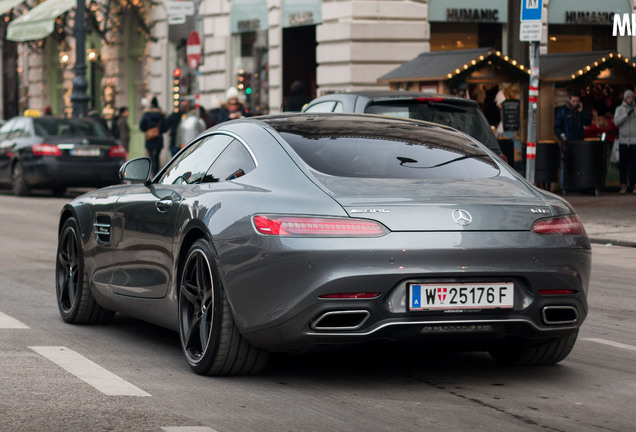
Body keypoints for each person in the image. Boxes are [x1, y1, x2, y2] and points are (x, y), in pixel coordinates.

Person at [554, 93, 591, 192]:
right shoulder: (563, 111)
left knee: (580, 164)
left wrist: (582, 111)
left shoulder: (579, 111)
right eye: (573, 101)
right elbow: (557, 127)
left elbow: (588, 122)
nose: (575, 103)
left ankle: (579, 186)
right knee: (566, 165)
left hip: (579, 143)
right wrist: (563, 137)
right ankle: (564, 186)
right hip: (568, 142)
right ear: (569, 100)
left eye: (577, 101)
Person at [613, 89, 636, 194]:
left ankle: (634, 185)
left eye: (632, 97)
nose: (630, 99)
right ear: (625, 98)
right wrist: (626, 114)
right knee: (623, 164)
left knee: (634, 165)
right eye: (628, 97)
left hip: (634, 141)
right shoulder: (620, 109)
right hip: (623, 141)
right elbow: (616, 122)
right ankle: (623, 185)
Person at [139, 97, 167, 176]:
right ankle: (156, 173)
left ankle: (152, 174)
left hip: (149, 139)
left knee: (151, 157)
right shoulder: (161, 115)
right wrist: (158, 131)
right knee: (157, 157)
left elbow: (142, 127)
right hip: (159, 139)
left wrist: (148, 130)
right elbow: (165, 128)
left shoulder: (146, 115)